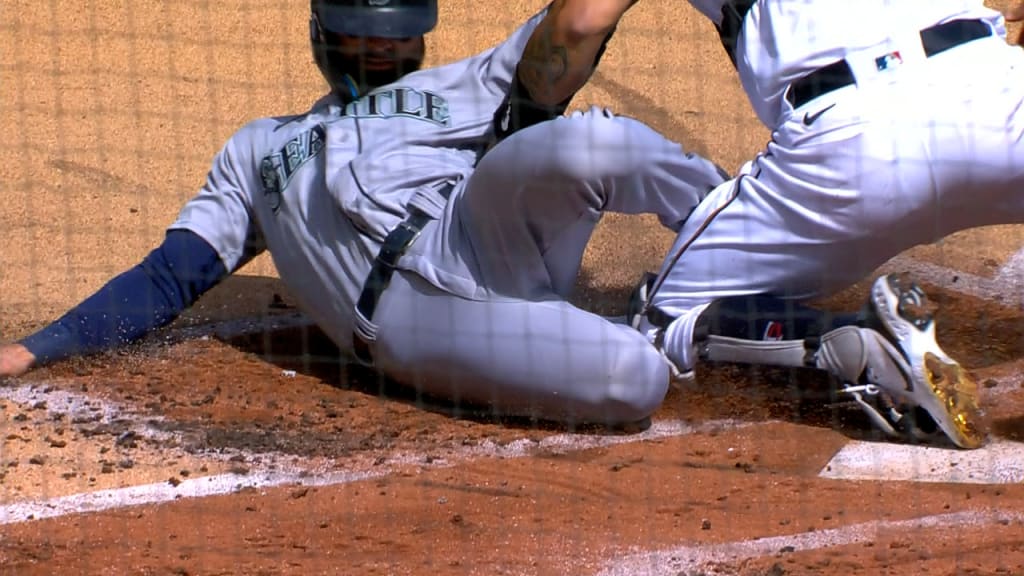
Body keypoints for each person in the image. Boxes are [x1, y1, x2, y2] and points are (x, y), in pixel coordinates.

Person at [0, 0, 731, 428]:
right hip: (414, 323)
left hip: (476, 229)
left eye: (396, 36)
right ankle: (715, 338)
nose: (382, 51)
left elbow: (572, 28)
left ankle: (752, 239)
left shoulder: (467, 83)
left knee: (594, 140)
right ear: (325, 30)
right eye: (364, 36)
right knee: (633, 377)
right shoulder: (258, 149)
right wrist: (33, 348)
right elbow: (172, 275)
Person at [514, 0, 1024, 449]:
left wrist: (513, 137)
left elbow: (580, 24)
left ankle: (855, 344)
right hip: (996, 92)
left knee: (661, 325)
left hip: (851, 146)